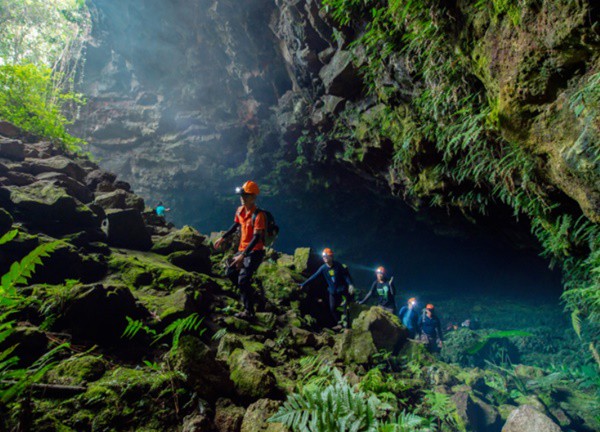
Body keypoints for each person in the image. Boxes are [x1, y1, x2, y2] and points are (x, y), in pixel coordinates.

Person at [214, 181, 266, 319]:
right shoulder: (240, 210)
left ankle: (249, 312)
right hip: (243, 249)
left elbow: (256, 238)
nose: (242, 198)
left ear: (253, 197)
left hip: (255, 251)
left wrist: (243, 255)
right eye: (241, 195)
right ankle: (250, 293)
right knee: (230, 271)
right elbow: (236, 225)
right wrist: (223, 237)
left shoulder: (259, 215)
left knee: (243, 279)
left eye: (245, 195)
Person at [300, 248, 355, 330]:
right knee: (332, 308)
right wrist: (303, 284)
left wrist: (350, 284)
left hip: (342, 291)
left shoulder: (338, 265)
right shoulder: (323, 268)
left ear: (331, 256)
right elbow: (314, 277)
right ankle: (339, 324)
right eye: (323, 257)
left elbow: (345, 276)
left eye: (326, 256)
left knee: (345, 308)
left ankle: (347, 326)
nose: (324, 258)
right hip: (332, 292)